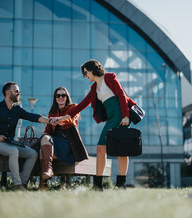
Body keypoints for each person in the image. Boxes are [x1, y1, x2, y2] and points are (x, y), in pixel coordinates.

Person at [57, 59, 136, 190]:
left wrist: (125, 116)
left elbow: (122, 95)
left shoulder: (109, 77)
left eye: (86, 72)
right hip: (112, 118)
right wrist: (65, 117)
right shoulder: (94, 87)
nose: (85, 76)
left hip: (120, 116)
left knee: (121, 149)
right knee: (101, 148)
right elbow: (82, 104)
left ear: (93, 70)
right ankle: (98, 185)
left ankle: (121, 184)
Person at [0, 82, 53, 191]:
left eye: (19, 91)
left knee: (33, 154)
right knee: (13, 151)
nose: (19, 93)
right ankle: (17, 185)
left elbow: (32, 116)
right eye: (16, 91)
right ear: (8, 93)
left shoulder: (17, 110)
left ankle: (23, 184)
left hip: (8, 143)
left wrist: (50, 121)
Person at [39, 87, 89, 189]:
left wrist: (59, 119)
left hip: (68, 142)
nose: (60, 97)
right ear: (55, 98)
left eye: (63, 95)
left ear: (67, 97)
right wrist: (44, 135)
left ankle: (43, 183)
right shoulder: (52, 111)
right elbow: (48, 130)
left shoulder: (73, 107)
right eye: (58, 96)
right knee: (44, 140)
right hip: (53, 140)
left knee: (42, 151)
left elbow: (71, 120)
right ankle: (48, 172)